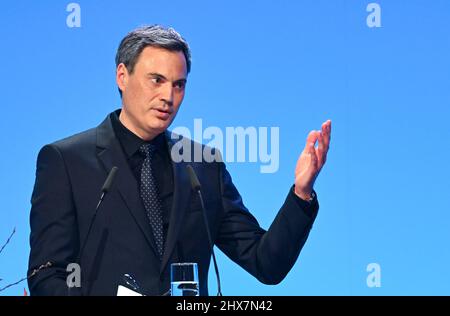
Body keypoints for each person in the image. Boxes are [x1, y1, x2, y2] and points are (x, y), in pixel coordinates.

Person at [28, 25, 331, 296]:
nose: (168, 96)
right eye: (156, 80)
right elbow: (46, 273)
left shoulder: (204, 166)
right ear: (122, 76)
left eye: (178, 84)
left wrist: (301, 193)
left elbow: (266, 263)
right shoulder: (66, 162)